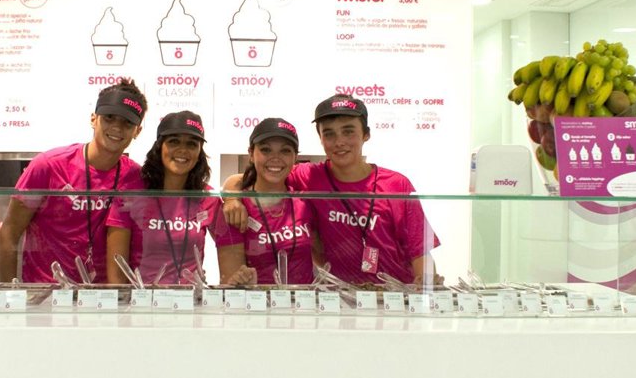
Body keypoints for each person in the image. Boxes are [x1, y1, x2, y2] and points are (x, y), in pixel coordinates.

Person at [224, 94, 437, 285]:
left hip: (393, 294)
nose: (339, 142)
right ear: (321, 139)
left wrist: (426, 284)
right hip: (338, 296)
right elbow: (253, 176)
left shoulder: (396, 185)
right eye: (329, 134)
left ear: (366, 134)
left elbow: (420, 250)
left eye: (348, 131)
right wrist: (232, 198)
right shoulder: (310, 176)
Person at [0, 79, 147, 283]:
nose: (117, 127)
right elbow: (9, 232)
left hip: (102, 296)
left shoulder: (135, 176)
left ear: (137, 131)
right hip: (46, 294)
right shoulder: (48, 165)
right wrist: (9, 294)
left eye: (127, 123)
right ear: (93, 119)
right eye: (109, 118)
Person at [106, 111, 238, 286]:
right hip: (142, 299)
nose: (183, 150)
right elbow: (116, 272)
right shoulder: (132, 194)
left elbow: (232, 262)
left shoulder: (207, 198)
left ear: (199, 152)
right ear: (159, 146)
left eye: (191, 144)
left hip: (191, 299)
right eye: (174, 141)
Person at [215, 117, 320, 285]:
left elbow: (321, 256)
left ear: (295, 157)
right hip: (256, 300)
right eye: (266, 150)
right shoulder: (235, 209)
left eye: (285, 151)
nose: (275, 158)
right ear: (251, 154)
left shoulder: (305, 202)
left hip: (303, 300)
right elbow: (230, 281)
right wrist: (243, 282)